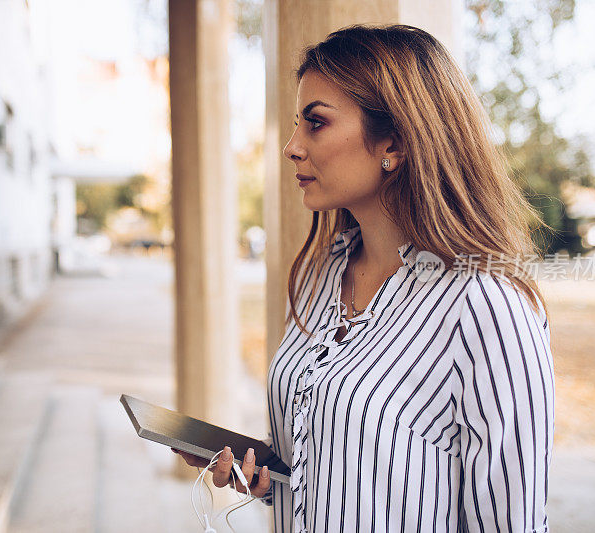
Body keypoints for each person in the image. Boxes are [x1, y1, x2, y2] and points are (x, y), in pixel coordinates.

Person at [177, 24, 554, 533]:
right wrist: (270, 476)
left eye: (316, 123)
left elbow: (513, 522)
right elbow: (357, 471)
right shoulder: (319, 277)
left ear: (394, 141)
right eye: (296, 124)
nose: (291, 146)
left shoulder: (486, 306)